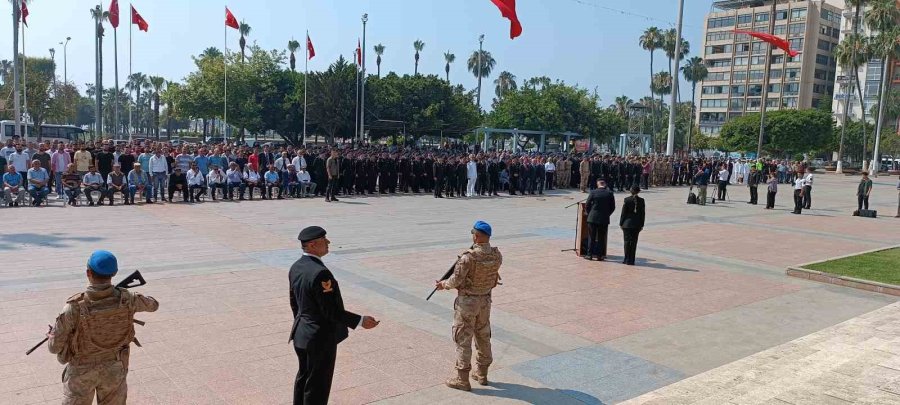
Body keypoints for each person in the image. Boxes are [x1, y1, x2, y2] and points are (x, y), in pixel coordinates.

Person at [47, 250, 159, 405]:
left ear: (88, 273)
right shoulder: (128, 299)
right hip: (115, 367)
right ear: (114, 273)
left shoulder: (73, 307)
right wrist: (125, 294)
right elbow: (153, 305)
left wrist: (52, 335)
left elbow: (54, 348)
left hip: (81, 372)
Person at [289, 226, 379, 404]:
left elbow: (294, 303)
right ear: (313, 245)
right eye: (324, 239)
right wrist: (361, 321)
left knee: (304, 378)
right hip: (319, 338)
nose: (328, 243)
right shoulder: (320, 273)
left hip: (301, 333)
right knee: (318, 385)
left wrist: (304, 324)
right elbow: (331, 311)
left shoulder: (296, 266)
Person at [434, 221, 502, 391]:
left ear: (476, 236)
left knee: (463, 338)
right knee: (483, 335)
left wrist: (443, 284)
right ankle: (482, 373)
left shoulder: (468, 257)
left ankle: (462, 379)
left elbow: (455, 280)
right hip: (485, 301)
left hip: (467, 303)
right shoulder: (496, 255)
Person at [584, 179, 616, 261]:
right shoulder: (609, 193)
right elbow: (613, 207)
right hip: (604, 219)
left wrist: (590, 213)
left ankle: (589, 255)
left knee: (592, 237)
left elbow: (587, 205)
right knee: (601, 238)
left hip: (593, 218)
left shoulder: (593, 192)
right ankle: (599, 256)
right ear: (604, 184)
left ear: (598, 184)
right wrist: (607, 214)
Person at [620, 186, 645, 266]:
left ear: (631, 191)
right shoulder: (641, 200)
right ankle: (632, 260)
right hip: (637, 224)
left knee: (627, 242)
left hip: (627, 224)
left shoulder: (627, 200)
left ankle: (626, 259)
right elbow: (642, 214)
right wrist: (642, 224)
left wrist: (621, 223)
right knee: (634, 242)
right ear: (638, 192)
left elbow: (623, 213)